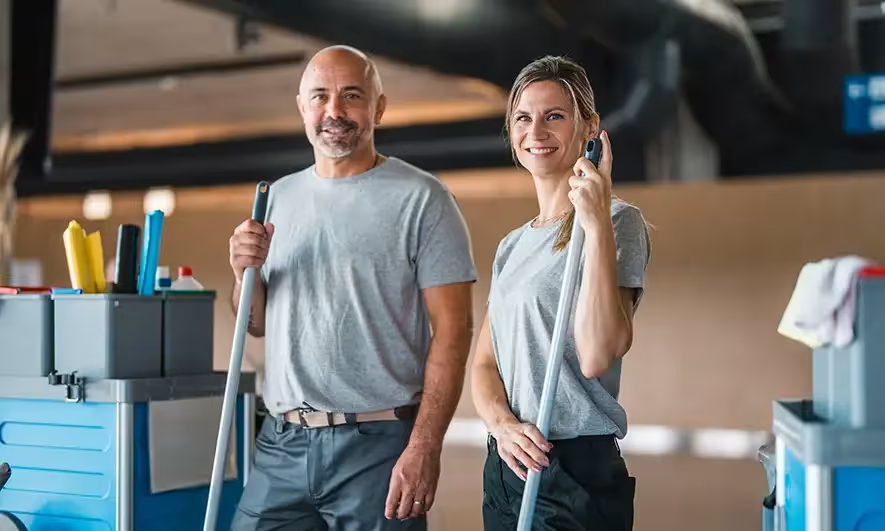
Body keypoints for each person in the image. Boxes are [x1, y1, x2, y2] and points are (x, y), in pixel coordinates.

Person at [227, 45, 477, 530]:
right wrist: (245, 273)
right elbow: (253, 326)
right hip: (282, 443)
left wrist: (424, 446)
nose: (334, 111)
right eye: (320, 96)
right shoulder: (276, 198)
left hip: (378, 447)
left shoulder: (423, 199)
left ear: (378, 108)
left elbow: (454, 330)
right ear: (302, 107)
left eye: (351, 95)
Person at [471, 55, 651, 530]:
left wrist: (593, 221)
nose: (537, 130)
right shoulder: (512, 245)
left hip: (574, 470)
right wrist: (501, 425)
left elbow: (596, 354)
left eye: (555, 116)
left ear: (589, 128)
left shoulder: (618, 221)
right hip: (506, 466)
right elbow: (485, 364)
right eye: (524, 118)